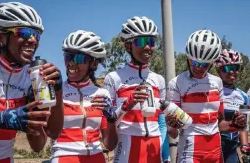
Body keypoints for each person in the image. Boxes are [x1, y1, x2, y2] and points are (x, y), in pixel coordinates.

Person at [0, 2, 64, 162]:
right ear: (0, 38)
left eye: (36, 35)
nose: (32, 40)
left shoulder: (31, 77)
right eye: (24, 32)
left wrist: (57, 90)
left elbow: (39, 146)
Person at [166, 29, 246, 163]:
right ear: (188, 58)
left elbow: (219, 124)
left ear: (212, 63)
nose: (198, 67)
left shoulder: (217, 82)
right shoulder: (176, 83)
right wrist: (172, 126)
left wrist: (235, 125)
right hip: (190, 150)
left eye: (204, 64)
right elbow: (173, 133)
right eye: (194, 62)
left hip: (215, 149)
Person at [104, 16, 166, 163]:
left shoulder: (159, 80)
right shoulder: (113, 78)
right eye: (141, 42)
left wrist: (166, 155)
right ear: (128, 46)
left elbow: (162, 123)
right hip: (127, 147)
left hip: (154, 148)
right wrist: (127, 104)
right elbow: (109, 121)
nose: (147, 47)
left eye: (150, 42)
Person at [50, 30, 118, 163]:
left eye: (78, 58)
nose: (71, 63)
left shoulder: (102, 94)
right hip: (64, 157)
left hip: (97, 156)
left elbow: (110, 145)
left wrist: (111, 120)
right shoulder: (57, 91)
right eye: (68, 56)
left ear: (93, 64)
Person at [215, 49, 250, 163]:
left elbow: (243, 126)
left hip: (231, 150)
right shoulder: (212, 92)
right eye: (227, 68)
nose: (231, 72)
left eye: (235, 68)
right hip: (213, 147)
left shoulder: (243, 96)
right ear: (218, 70)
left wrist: (244, 145)